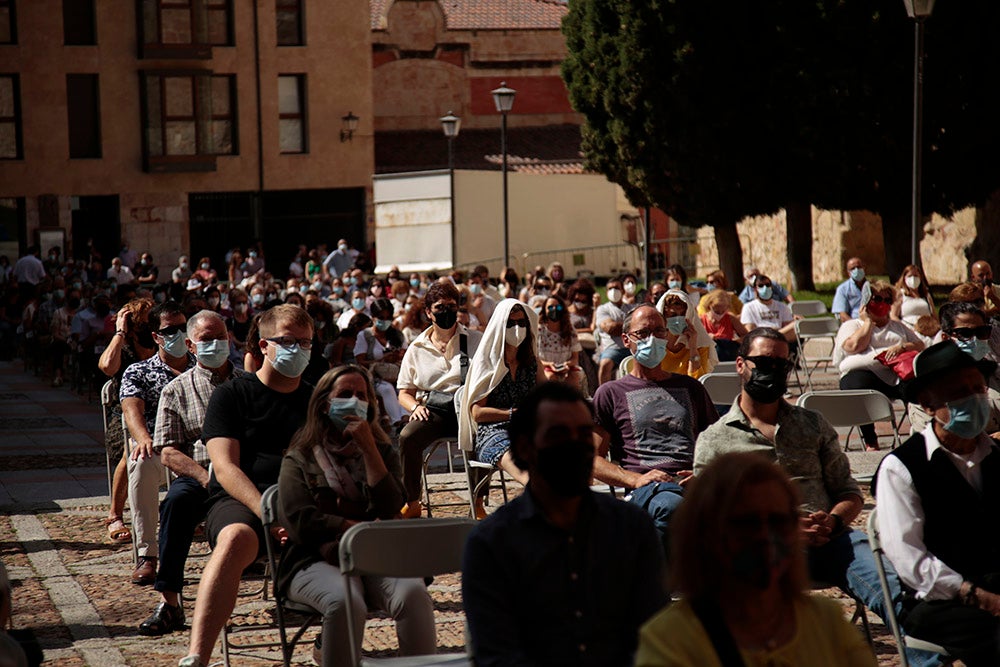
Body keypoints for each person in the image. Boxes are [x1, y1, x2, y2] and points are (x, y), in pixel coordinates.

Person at [694, 327, 940, 667]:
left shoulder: (811, 424)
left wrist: (834, 519)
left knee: (898, 588)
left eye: (781, 364)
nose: (772, 370)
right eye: (762, 362)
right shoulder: (714, 440)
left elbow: (849, 491)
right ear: (740, 365)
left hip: (830, 539)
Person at [463, 382, 668, 666]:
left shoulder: (631, 528)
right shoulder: (492, 544)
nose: (575, 446)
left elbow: (653, 633)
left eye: (584, 435)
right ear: (524, 447)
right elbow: (496, 653)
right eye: (558, 435)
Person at [636, 452, 877, 667]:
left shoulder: (826, 622)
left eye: (778, 521)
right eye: (746, 523)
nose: (765, 537)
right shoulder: (670, 640)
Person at [179, 304, 314, 667]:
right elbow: (224, 467)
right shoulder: (232, 394)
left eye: (305, 343)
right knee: (236, 538)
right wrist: (269, 513)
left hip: (301, 501)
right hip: (243, 499)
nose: (297, 350)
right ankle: (198, 655)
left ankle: (331, 640)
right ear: (263, 345)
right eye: (288, 341)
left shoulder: (316, 400)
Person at [277, 365, 435, 666]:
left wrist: (369, 450)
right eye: (345, 394)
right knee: (345, 601)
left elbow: (391, 506)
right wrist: (353, 528)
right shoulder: (301, 455)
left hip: (376, 553)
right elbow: (300, 519)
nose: (354, 401)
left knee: (413, 593)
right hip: (316, 557)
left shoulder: (383, 452)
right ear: (325, 403)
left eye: (361, 395)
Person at [875, 341, 1000, 665]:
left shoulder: (996, 457)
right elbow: (910, 561)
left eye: (978, 388)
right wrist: (978, 596)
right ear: (928, 404)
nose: (974, 399)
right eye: (959, 392)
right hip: (941, 600)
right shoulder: (901, 467)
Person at [138, 310, 242, 636]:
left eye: (220, 337)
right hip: (201, 476)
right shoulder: (177, 390)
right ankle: (170, 603)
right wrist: (205, 477)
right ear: (191, 345)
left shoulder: (247, 385)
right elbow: (167, 451)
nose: (215, 344)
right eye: (206, 339)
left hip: (244, 475)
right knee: (175, 503)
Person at [591, 305, 718, 547]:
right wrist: (634, 480)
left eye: (660, 331)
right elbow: (592, 458)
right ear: (626, 340)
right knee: (673, 507)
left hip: (694, 483)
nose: (653, 339)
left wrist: (703, 473)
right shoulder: (611, 393)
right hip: (648, 488)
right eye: (643, 333)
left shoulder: (691, 388)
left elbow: (718, 444)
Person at [120, 301, 196, 585]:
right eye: (169, 330)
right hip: (158, 446)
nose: (177, 334)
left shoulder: (202, 368)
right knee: (140, 463)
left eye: (182, 328)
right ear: (156, 336)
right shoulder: (138, 371)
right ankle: (148, 555)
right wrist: (144, 439)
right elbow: (131, 411)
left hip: (196, 450)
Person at [396, 283, 481, 518]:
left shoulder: (475, 340)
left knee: (483, 433)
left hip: (468, 408)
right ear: (428, 312)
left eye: (451, 306)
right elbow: (404, 392)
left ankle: (479, 499)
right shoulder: (416, 348)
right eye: (440, 307)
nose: (447, 311)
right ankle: (412, 500)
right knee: (407, 436)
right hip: (434, 410)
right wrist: (415, 407)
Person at [459, 300, 544, 510]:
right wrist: (513, 414)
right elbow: (477, 413)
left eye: (522, 323)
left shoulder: (532, 362)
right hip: (494, 432)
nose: (517, 329)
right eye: (511, 324)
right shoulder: (487, 363)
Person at [834, 280, 924, 451]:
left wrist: (902, 346)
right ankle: (870, 440)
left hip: (895, 375)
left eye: (887, 300)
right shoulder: (852, 325)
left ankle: (921, 433)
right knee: (856, 384)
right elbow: (853, 347)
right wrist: (868, 323)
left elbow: (920, 345)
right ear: (867, 301)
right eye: (877, 299)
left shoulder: (898, 327)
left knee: (918, 385)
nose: (883, 304)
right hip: (864, 375)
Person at [906, 302, 1000, 437]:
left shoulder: (994, 375)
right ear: (946, 337)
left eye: (982, 332)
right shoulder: (929, 391)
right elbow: (939, 441)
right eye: (964, 333)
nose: (975, 339)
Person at [353, 297, 407, 427]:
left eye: (388, 318)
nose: (384, 321)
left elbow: (406, 357)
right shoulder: (365, 336)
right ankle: (397, 421)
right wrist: (381, 360)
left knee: (404, 389)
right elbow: (360, 361)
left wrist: (397, 357)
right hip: (374, 377)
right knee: (387, 389)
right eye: (381, 317)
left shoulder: (397, 336)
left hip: (396, 375)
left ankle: (406, 419)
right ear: (373, 317)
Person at [537, 294, 586, 392]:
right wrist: (549, 365)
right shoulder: (539, 330)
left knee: (573, 378)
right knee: (550, 377)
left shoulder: (570, 330)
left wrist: (566, 365)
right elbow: (535, 358)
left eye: (558, 307)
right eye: (550, 307)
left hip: (566, 368)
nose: (554, 310)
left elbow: (575, 358)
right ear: (544, 310)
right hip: (545, 367)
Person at [659, 290, 710, 378]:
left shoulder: (701, 345)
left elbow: (698, 381)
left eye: (683, 314)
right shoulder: (655, 344)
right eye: (673, 315)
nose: (678, 320)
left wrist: (693, 348)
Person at [739, 274, 798, 344]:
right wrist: (773, 330)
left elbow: (788, 327)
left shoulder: (782, 306)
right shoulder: (748, 307)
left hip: (781, 339)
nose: (765, 288)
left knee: (795, 326)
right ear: (755, 289)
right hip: (760, 339)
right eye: (761, 286)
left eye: (767, 285)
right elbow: (750, 331)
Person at [595, 277, 630, 385]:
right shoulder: (603, 309)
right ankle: (604, 393)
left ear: (623, 290)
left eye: (616, 288)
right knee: (605, 364)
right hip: (612, 349)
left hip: (631, 347)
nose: (613, 291)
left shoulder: (632, 307)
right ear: (606, 292)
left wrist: (617, 325)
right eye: (610, 289)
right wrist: (630, 324)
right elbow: (610, 328)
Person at [699, 288, 747, 362]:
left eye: (723, 311)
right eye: (716, 311)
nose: (720, 314)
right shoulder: (701, 320)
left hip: (727, 356)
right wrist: (707, 337)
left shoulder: (731, 319)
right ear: (709, 306)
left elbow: (746, 336)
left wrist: (736, 341)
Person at [892, 264, 936, 328]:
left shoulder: (926, 295)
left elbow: (934, 316)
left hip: (927, 328)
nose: (913, 278)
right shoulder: (900, 294)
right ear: (904, 278)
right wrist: (904, 329)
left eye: (916, 276)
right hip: (908, 328)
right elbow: (893, 316)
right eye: (910, 276)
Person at [832, 256, 869, 323]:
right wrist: (854, 325)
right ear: (849, 273)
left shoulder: (873, 286)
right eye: (853, 268)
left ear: (864, 268)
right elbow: (841, 314)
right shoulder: (843, 289)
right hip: (854, 323)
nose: (856, 270)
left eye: (858, 267)